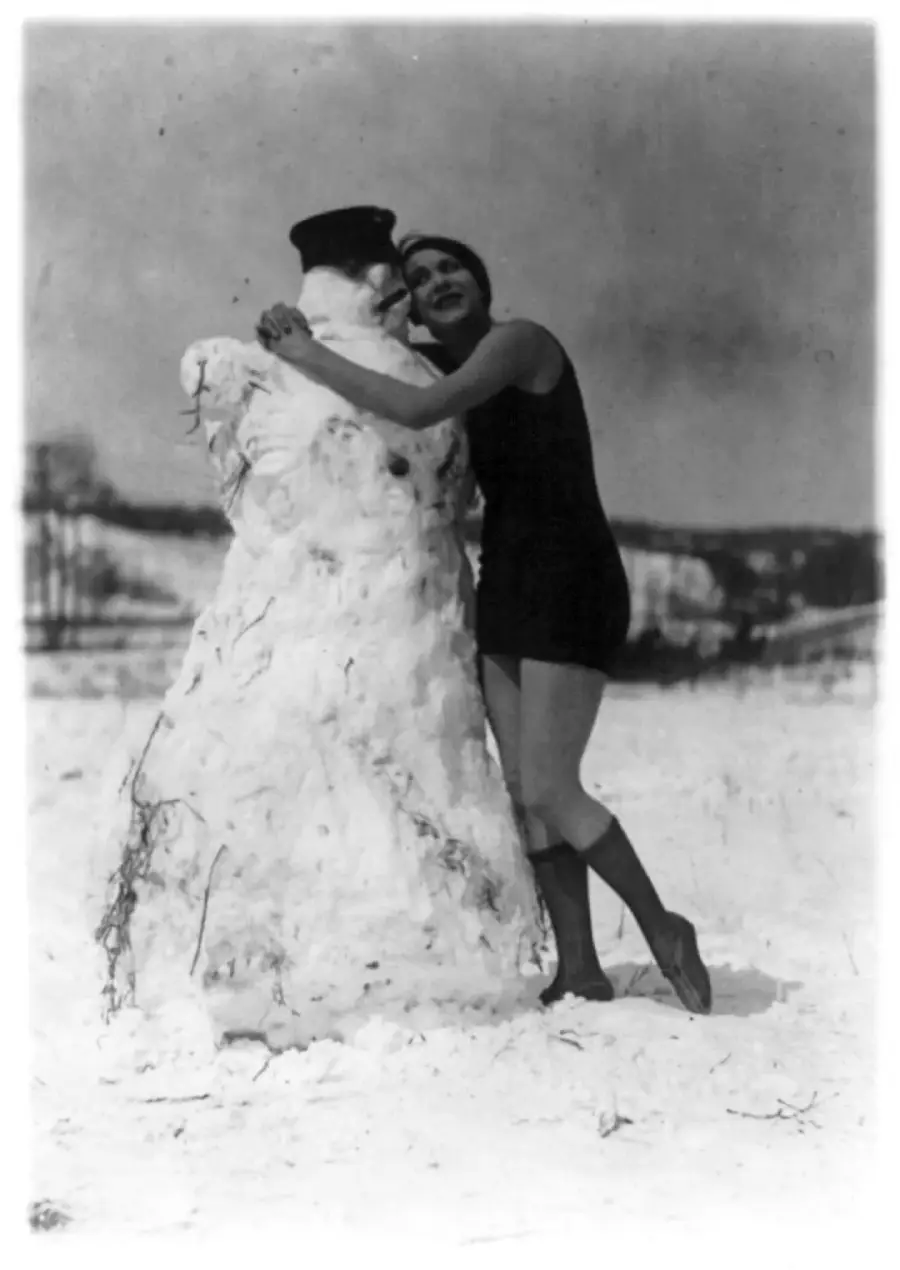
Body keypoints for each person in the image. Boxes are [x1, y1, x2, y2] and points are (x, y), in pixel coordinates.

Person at [257, 228, 712, 1015]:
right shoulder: (459, 363)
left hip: (572, 575)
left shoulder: (518, 344)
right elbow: (395, 369)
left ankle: (664, 924)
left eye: (450, 267)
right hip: (507, 579)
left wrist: (306, 352)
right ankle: (579, 967)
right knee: (520, 790)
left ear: (482, 278)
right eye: (419, 276)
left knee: (550, 781)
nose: (438, 281)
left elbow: (417, 402)